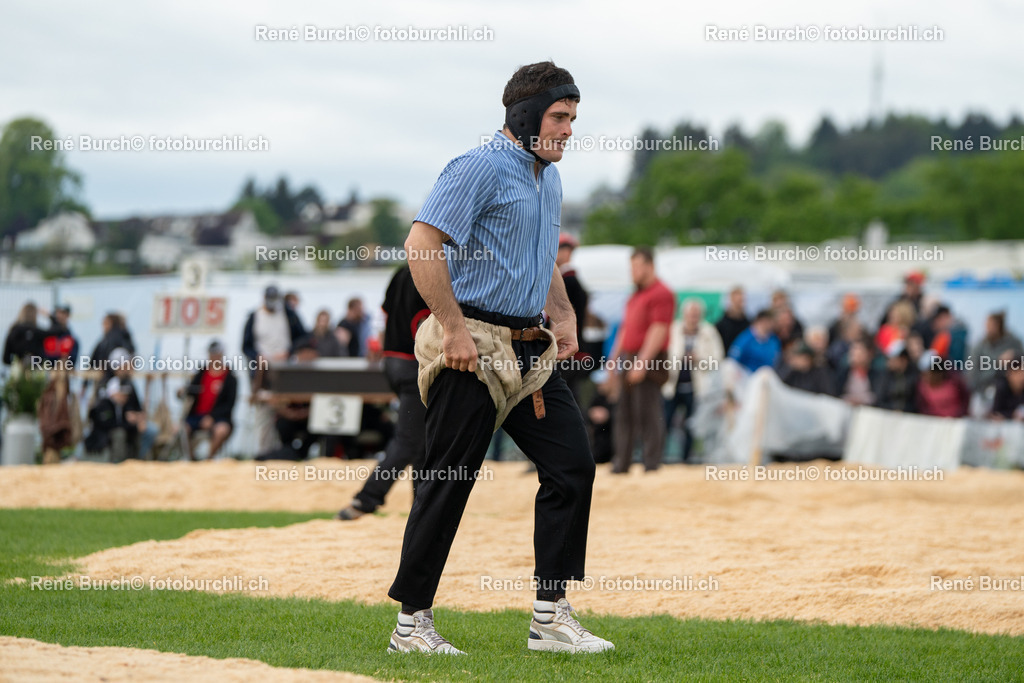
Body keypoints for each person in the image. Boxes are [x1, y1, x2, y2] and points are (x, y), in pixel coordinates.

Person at [387, 61, 611, 655]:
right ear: (526, 116)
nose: (568, 130)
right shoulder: (477, 167)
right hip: (471, 349)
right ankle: (411, 626)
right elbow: (421, 244)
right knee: (448, 480)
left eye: (572, 118)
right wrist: (453, 329)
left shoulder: (550, 178)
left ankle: (549, 618)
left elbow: (541, 260)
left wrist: (563, 317)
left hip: (528, 350)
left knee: (572, 468)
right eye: (560, 117)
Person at [336, 264, 430, 520]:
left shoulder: (402, 271)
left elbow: (382, 315)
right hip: (415, 363)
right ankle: (365, 500)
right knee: (409, 441)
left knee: (422, 438)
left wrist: (381, 343)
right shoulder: (436, 268)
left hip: (393, 361)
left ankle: (422, 508)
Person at [608, 247, 675, 474]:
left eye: (637, 267)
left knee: (647, 411)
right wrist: (613, 358)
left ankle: (651, 464)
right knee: (624, 413)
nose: (633, 272)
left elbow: (658, 329)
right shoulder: (635, 294)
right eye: (631, 267)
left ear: (650, 266)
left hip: (650, 356)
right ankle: (622, 463)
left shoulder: (662, 293)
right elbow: (625, 328)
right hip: (630, 354)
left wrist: (642, 362)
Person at [242, 285, 305, 452]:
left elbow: (303, 337)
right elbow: (246, 346)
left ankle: (282, 449)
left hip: (286, 372)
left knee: (286, 410)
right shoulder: (254, 316)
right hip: (262, 372)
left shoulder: (288, 314)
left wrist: (289, 352)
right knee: (264, 410)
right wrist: (257, 356)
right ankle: (264, 450)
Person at [662, 298, 724, 463]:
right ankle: (660, 458)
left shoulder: (709, 332)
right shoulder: (673, 330)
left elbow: (717, 360)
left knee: (691, 426)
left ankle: (686, 459)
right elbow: (664, 355)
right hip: (671, 386)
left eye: (696, 315)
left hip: (696, 388)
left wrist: (699, 359)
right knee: (664, 423)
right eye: (690, 314)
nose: (693, 318)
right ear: (684, 315)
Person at [181, 341, 237, 460]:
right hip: (197, 415)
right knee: (182, 429)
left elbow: (229, 405)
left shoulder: (230, 378)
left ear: (222, 354)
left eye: (216, 354)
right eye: (212, 354)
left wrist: (211, 417)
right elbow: (191, 391)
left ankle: (209, 459)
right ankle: (192, 459)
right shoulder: (202, 373)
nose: (214, 356)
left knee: (221, 430)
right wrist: (181, 392)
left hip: (219, 417)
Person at [555, 233, 590, 405]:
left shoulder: (569, 282)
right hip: (573, 351)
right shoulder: (571, 281)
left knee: (562, 400)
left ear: (567, 252)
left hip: (567, 352)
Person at [874, 340, 918, 413]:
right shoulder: (884, 376)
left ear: (903, 360)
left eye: (892, 359)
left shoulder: (914, 376)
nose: (889, 362)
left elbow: (916, 402)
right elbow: (879, 399)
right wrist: (892, 410)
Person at [3, 302, 44, 367]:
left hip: (17, 369)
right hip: (34, 370)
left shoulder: (14, 330)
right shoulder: (37, 331)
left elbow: (6, 358)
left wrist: (16, 364)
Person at [715, 286, 748, 353]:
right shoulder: (721, 325)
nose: (740, 304)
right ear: (731, 300)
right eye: (738, 301)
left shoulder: (748, 325)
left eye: (742, 301)